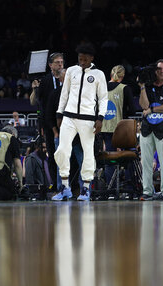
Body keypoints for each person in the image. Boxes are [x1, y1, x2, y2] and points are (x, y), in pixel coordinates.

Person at [52, 44, 108, 201]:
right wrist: (59, 113)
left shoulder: (99, 74)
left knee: (88, 152)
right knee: (62, 149)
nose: (81, 61)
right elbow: (65, 93)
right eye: (79, 59)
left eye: (84, 59)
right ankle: (65, 187)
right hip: (69, 116)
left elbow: (103, 98)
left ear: (91, 58)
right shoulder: (71, 71)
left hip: (88, 119)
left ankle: (85, 188)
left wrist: (100, 117)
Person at [139, 59, 163, 201]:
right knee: (145, 162)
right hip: (147, 128)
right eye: (159, 69)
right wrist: (141, 86)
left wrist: (152, 109)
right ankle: (147, 191)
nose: (162, 71)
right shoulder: (148, 85)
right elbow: (143, 105)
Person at [30, 52, 64, 185]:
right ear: (51, 65)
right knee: (53, 154)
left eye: (62, 62)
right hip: (49, 123)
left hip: (66, 121)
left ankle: (70, 184)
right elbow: (33, 102)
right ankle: (56, 184)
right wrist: (34, 90)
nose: (60, 64)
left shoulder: (68, 79)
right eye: (57, 62)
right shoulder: (45, 81)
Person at [101, 64, 136, 189]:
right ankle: (129, 188)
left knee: (110, 160)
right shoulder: (124, 88)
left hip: (105, 129)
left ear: (110, 75)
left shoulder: (101, 88)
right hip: (121, 131)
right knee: (128, 158)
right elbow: (132, 110)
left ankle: (110, 189)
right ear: (123, 76)